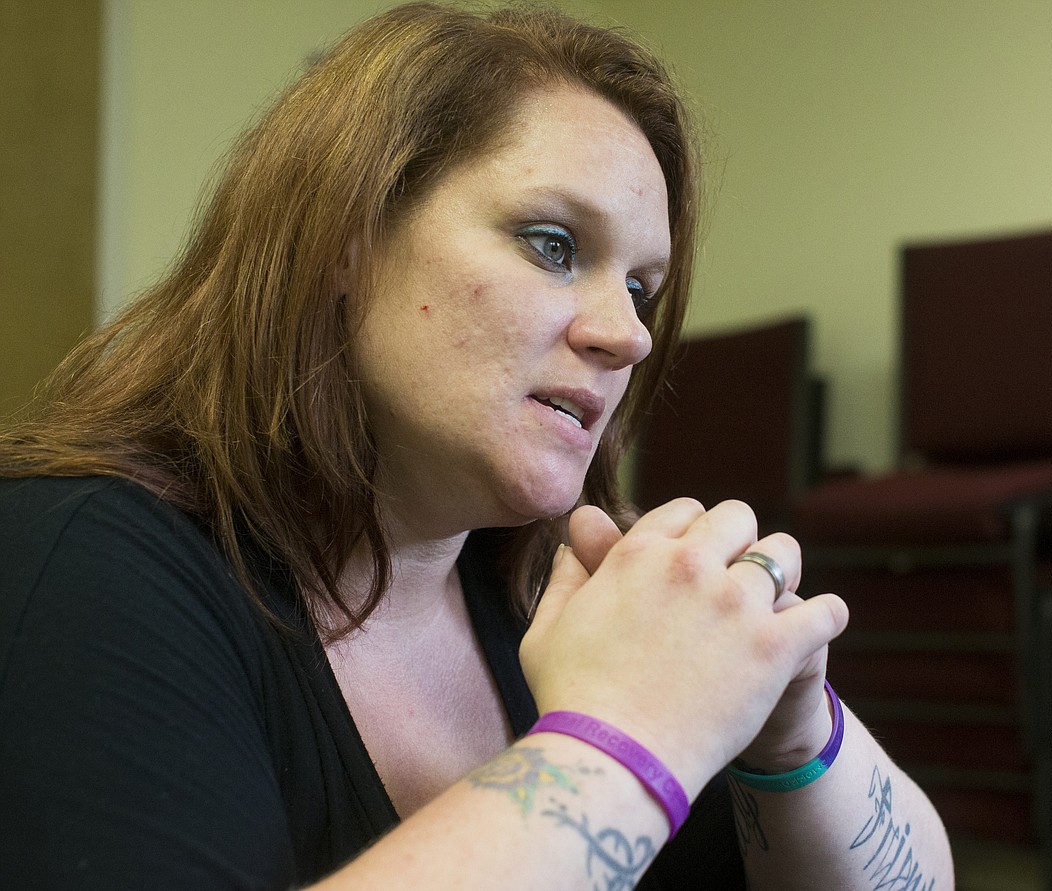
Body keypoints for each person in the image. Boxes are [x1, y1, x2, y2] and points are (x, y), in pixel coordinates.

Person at [0, 3, 954, 889]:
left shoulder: (557, 588)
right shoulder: (83, 560)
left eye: (643, 289)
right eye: (552, 244)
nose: (628, 335)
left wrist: (794, 733)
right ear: (344, 236)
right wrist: (627, 734)